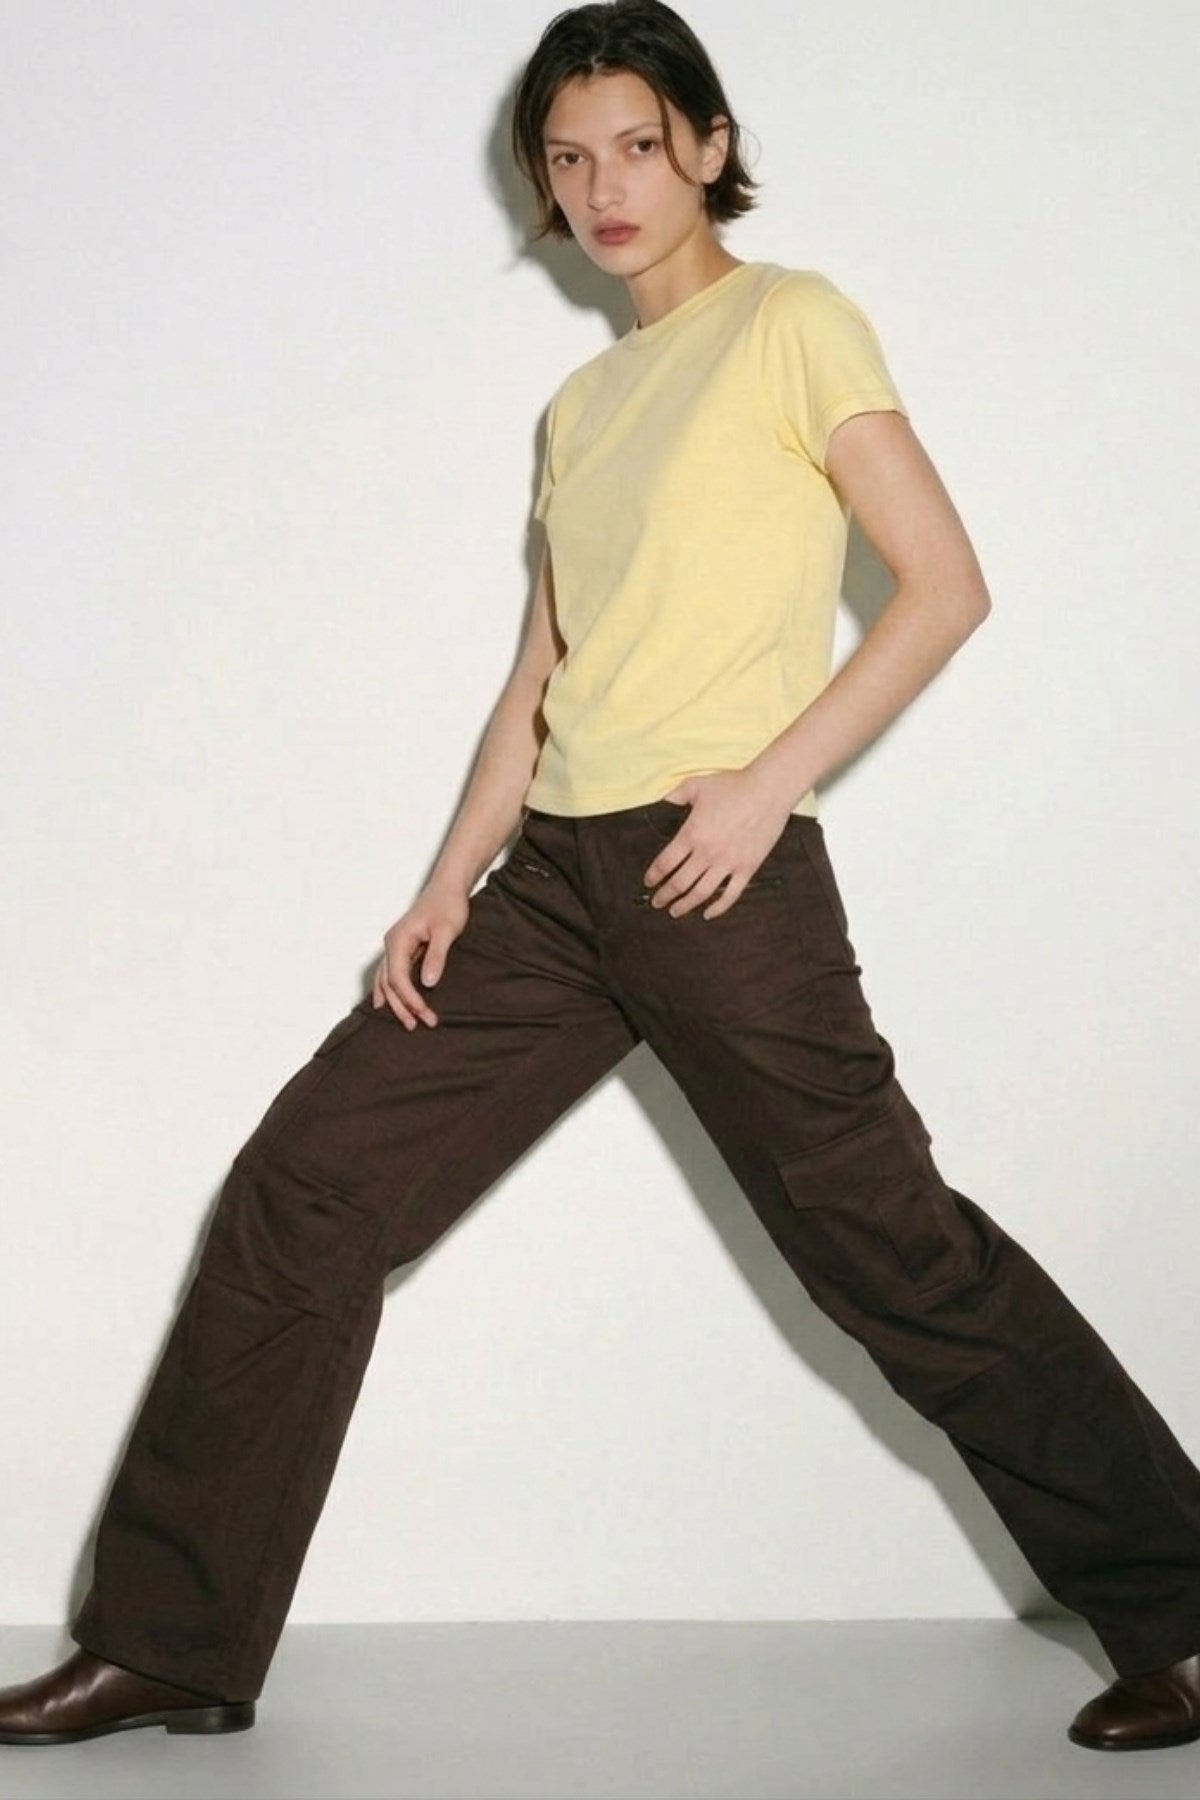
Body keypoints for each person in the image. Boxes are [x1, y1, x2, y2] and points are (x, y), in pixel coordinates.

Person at [3, 0, 1199, 1760]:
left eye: (638, 144)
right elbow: (542, 677)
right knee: (306, 1188)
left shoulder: (792, 323)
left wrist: (766, 787)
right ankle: (171, 1642)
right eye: (568, 160)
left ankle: (1186, 1606)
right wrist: (445, 884)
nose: (605, 186)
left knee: (893, 1255)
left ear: (708, 146)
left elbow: (945, 583)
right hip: (551, 890)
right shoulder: (579, 408)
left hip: (720, 875)